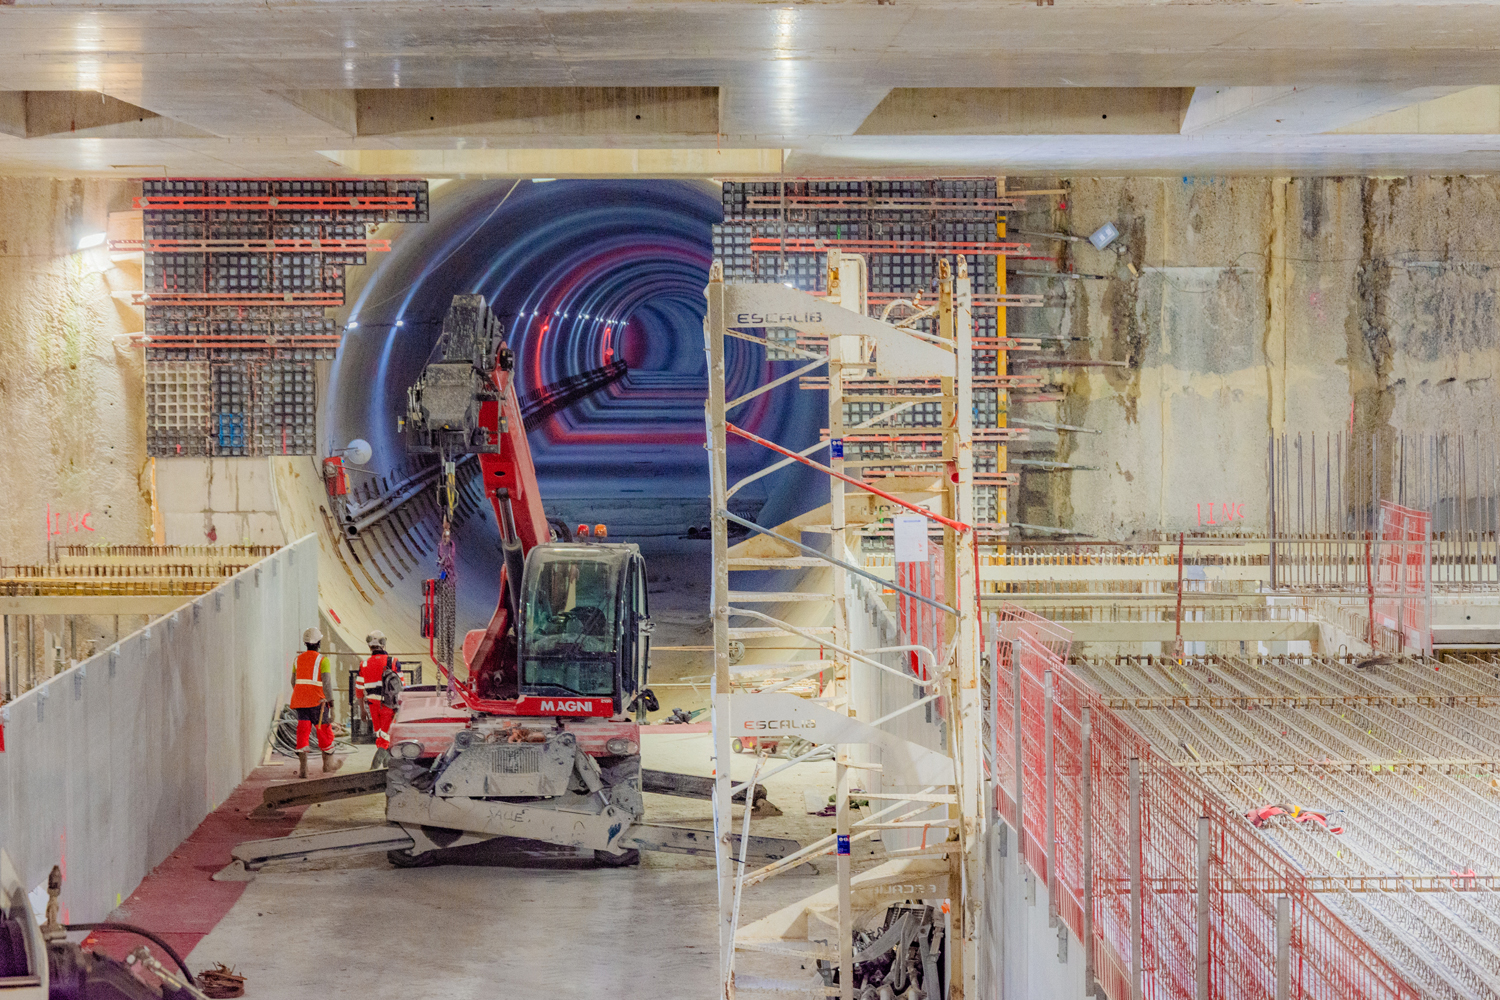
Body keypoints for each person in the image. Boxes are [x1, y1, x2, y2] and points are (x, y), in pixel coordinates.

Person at [289, 626, 343, 778]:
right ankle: (327, 765)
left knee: (303, 732)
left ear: (305, 643)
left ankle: (303, 770)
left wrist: (302, 694)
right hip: (318, 703)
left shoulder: (297, 660)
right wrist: (331, 702)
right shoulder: (323, 661)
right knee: (324, 732)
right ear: (319, 643)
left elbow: (294, 682)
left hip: (300, 703)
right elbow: (326, 684)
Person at [358, 630, 400, 768]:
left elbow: (359, 689)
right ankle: (375, 767)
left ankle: (385, 767)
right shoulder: (392, 662)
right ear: (383, 644)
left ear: (369, 646)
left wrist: (362, 710)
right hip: (388, 705)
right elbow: (402, 686)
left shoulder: (363, 665)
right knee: (387, 737)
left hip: (372, 705)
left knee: (380, 736)